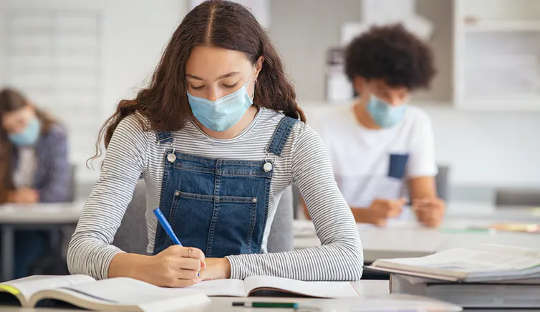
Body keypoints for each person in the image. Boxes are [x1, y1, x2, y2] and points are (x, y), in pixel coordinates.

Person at [67, 0, 362, 288]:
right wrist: (143, 267)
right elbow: (81, 250)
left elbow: (347, 257)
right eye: (196, 85)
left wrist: (225, 267)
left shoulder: (295, 141)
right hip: (162, 302)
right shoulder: (142, 131)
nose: (214, 99)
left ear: (258, 67)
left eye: (230, 84)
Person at [307, 24, 445, 228]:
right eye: (383, 93)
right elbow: (311, 209)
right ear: (360, 84)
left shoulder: (416, 123)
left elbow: (424, 198)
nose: (394, 104)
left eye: (402, 95)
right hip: (338, 240)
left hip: (397, 242)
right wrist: (365, 215)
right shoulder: (323, 125)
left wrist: (431, 212)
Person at [0, 87, 71, 277]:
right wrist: (12, 196)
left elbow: (59, 190)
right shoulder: (6, 144)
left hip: (39, 226)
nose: (18, 131)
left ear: (30, 108)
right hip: (8, 223)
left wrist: (33, 196)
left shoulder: (56, 136)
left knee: (17, 261)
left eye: (21, 122)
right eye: (11, 129)